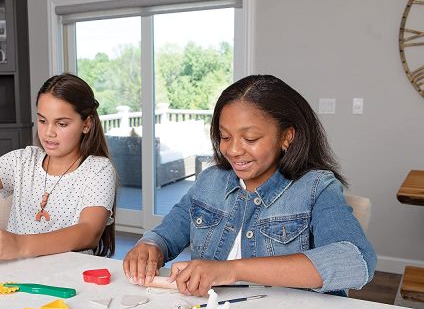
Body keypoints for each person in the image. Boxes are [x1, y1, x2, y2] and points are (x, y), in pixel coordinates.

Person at [123, 75, 376, 297]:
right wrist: (150, 248)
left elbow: (355, 260)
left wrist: (231, 270)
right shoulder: (209, 182)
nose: (232, 150)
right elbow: (166, 235)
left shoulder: (316, 187)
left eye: (250, 138)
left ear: (286, 137)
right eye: (225, 136)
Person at [0, 73, 116, 260]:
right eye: (42, 121)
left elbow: (88, 234)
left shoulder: (99, 169)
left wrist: (18, 244)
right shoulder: (23, 160)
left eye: (62, 123)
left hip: (68, 277)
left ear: (87, 124)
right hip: (15, 274)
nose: (49, 132)